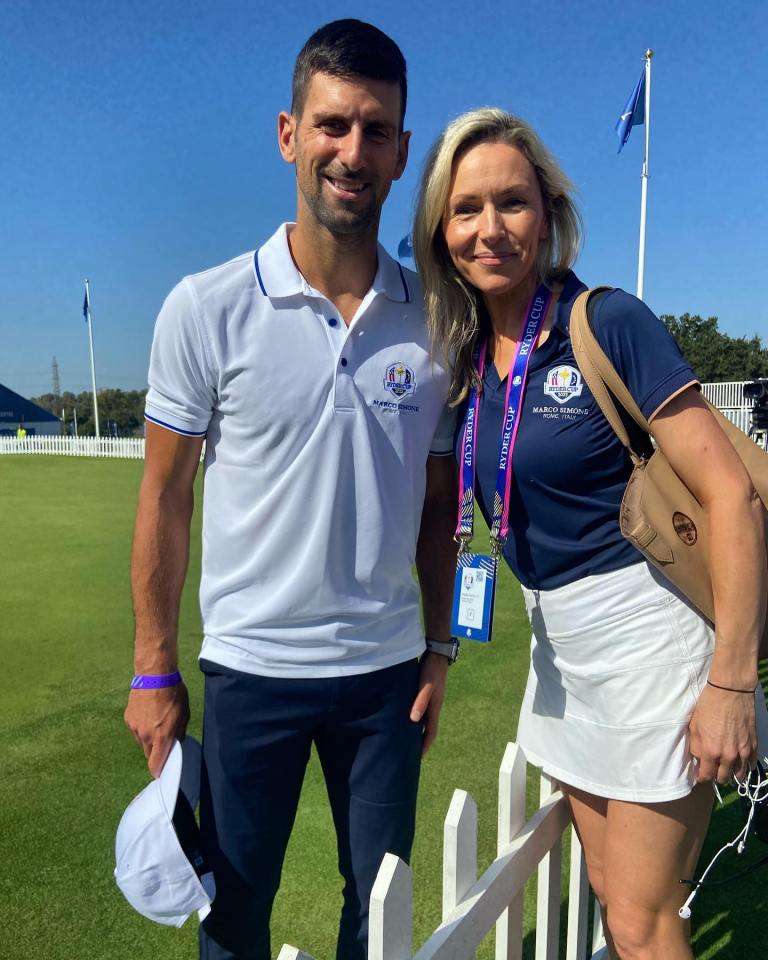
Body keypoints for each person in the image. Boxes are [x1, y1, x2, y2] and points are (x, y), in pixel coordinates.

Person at [124, 20, 458, 960]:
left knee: (379, 912)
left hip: (384, 676)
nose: (353, 152)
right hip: (251, 672)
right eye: (333, 125)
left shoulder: (436, 319)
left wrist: (437, 645)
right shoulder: (206, 306)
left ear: (400, 150)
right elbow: (164, 500)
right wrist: (154, 670)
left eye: (376, 130)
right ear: (289, 134)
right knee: (233, 915)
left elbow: (440, 506)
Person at [413, 107, 767, 960]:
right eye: (466, 209)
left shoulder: (604, 321)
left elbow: (733, 495)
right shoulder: (468, 356)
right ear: (440, 230)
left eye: (512, 202)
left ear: (549, 212)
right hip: (559, 650)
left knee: (646, 927)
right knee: (615, 900)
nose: (490, 229)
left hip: (652, 642)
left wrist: (728, 684)